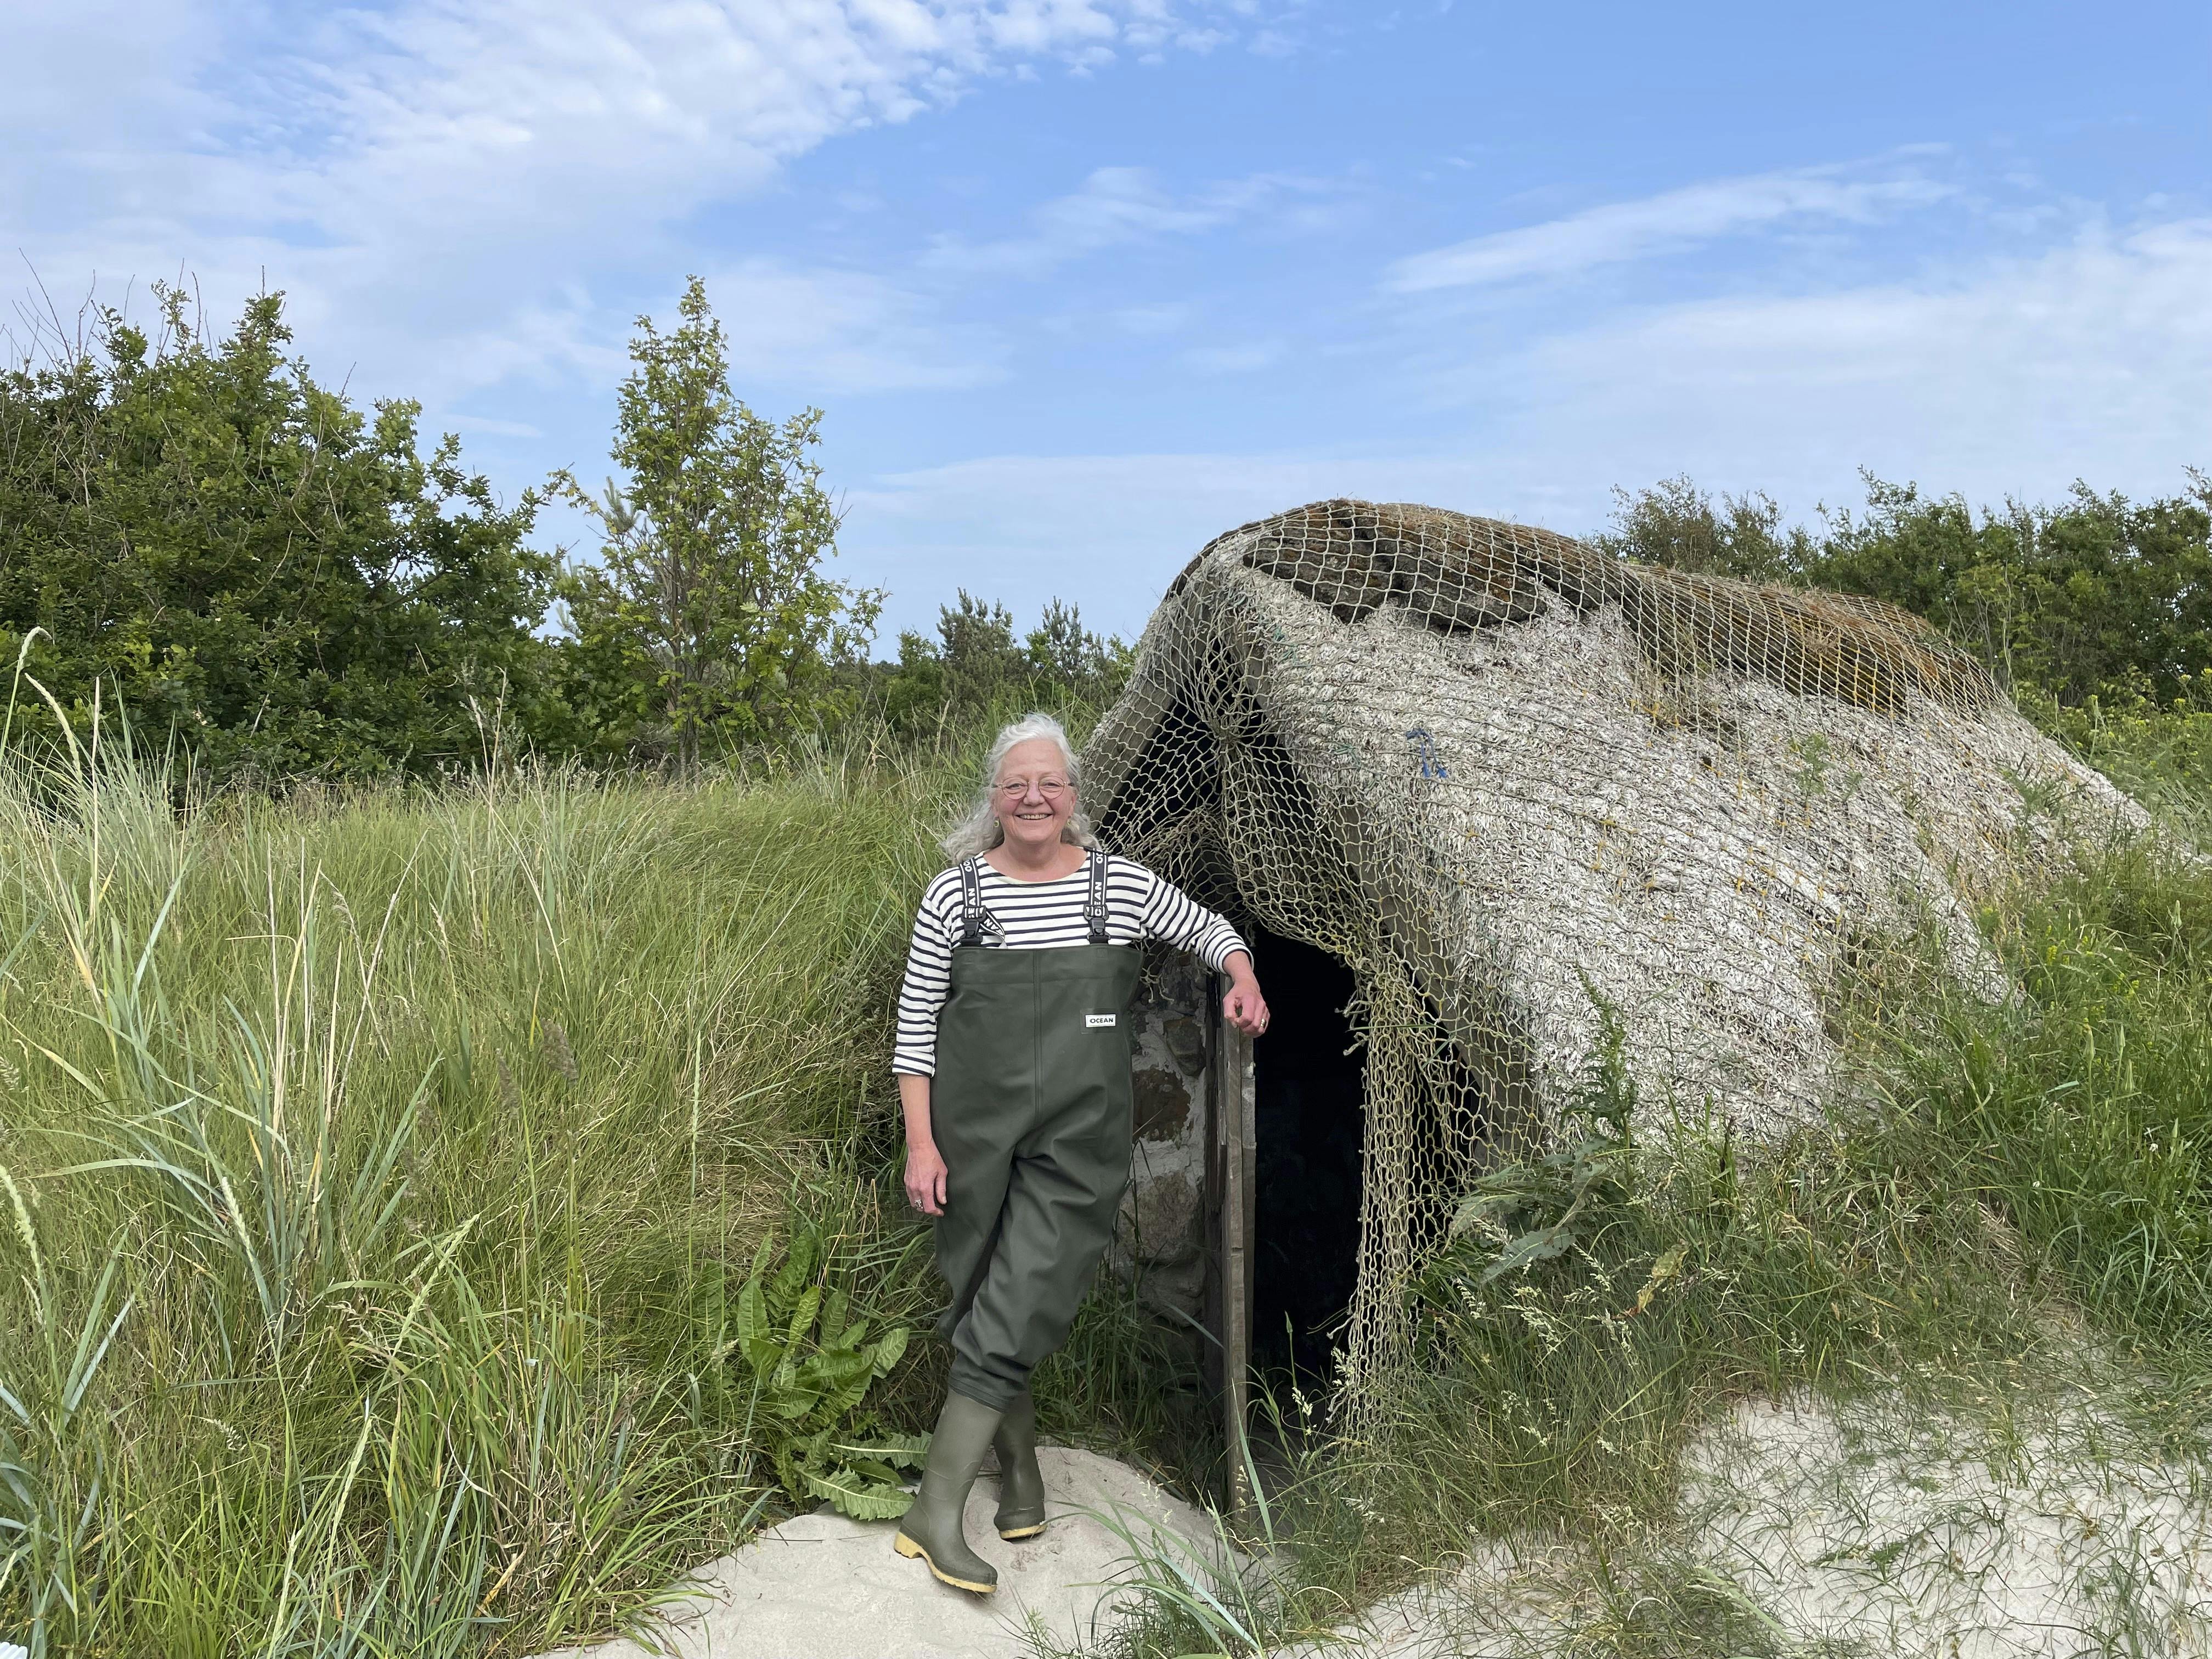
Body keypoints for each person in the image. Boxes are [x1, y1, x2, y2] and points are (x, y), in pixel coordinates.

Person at [889, 712, 1268, 1594]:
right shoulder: (956, 897)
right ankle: (1019, 1479)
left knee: (1020, 1295)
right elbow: (914, 1029)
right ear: (995, 797)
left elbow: (1212, 930)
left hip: (1077, 1143)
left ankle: (932, 1510)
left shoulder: (1118, 888)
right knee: (981, 1295)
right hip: (966, 1136)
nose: (1033, 797)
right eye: (1017, 783)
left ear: (1072, 797)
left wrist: (1243, 974)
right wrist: (920, 1144)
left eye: (1049, 783)